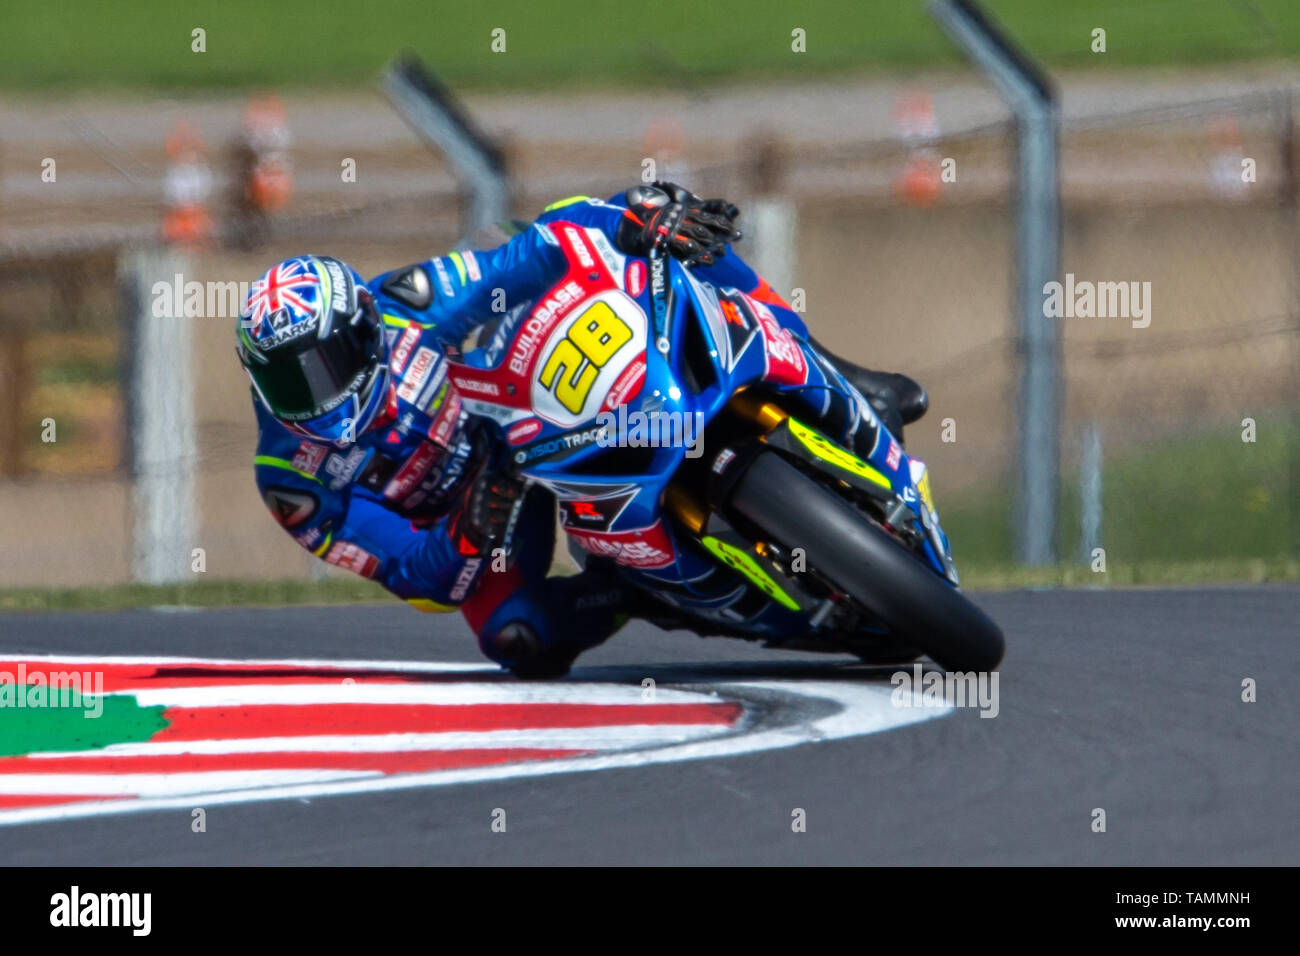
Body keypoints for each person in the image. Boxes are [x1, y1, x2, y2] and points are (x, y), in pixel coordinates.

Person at [236, 183, 927, 675]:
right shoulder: (291, 480)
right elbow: (421, 582)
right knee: (518, 640)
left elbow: (532, 249)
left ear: (361, 327)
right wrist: (477, 519)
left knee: (658, 223)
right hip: (493, 522)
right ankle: (637, 591)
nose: (311, 397)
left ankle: (842, 370)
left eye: (322, 367)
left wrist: (637, 220)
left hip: (535, 410)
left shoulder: (407, 306)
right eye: (288, 381)